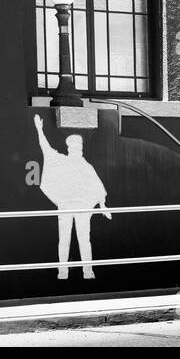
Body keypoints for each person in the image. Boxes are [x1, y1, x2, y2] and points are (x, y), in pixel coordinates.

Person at [33, 115, 111, 279]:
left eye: (78, 146)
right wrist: (39, 130)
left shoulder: (86, 166)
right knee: (65, 239)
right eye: (74, 146)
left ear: (80, 148)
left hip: (82, 208)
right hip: (66, 206)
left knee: (83, 240)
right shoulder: (62, 161)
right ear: (70, 148)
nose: (76, 148)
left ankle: (87, 272)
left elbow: (98, 187)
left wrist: (103, 205)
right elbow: (45, 149)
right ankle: (63, 271)